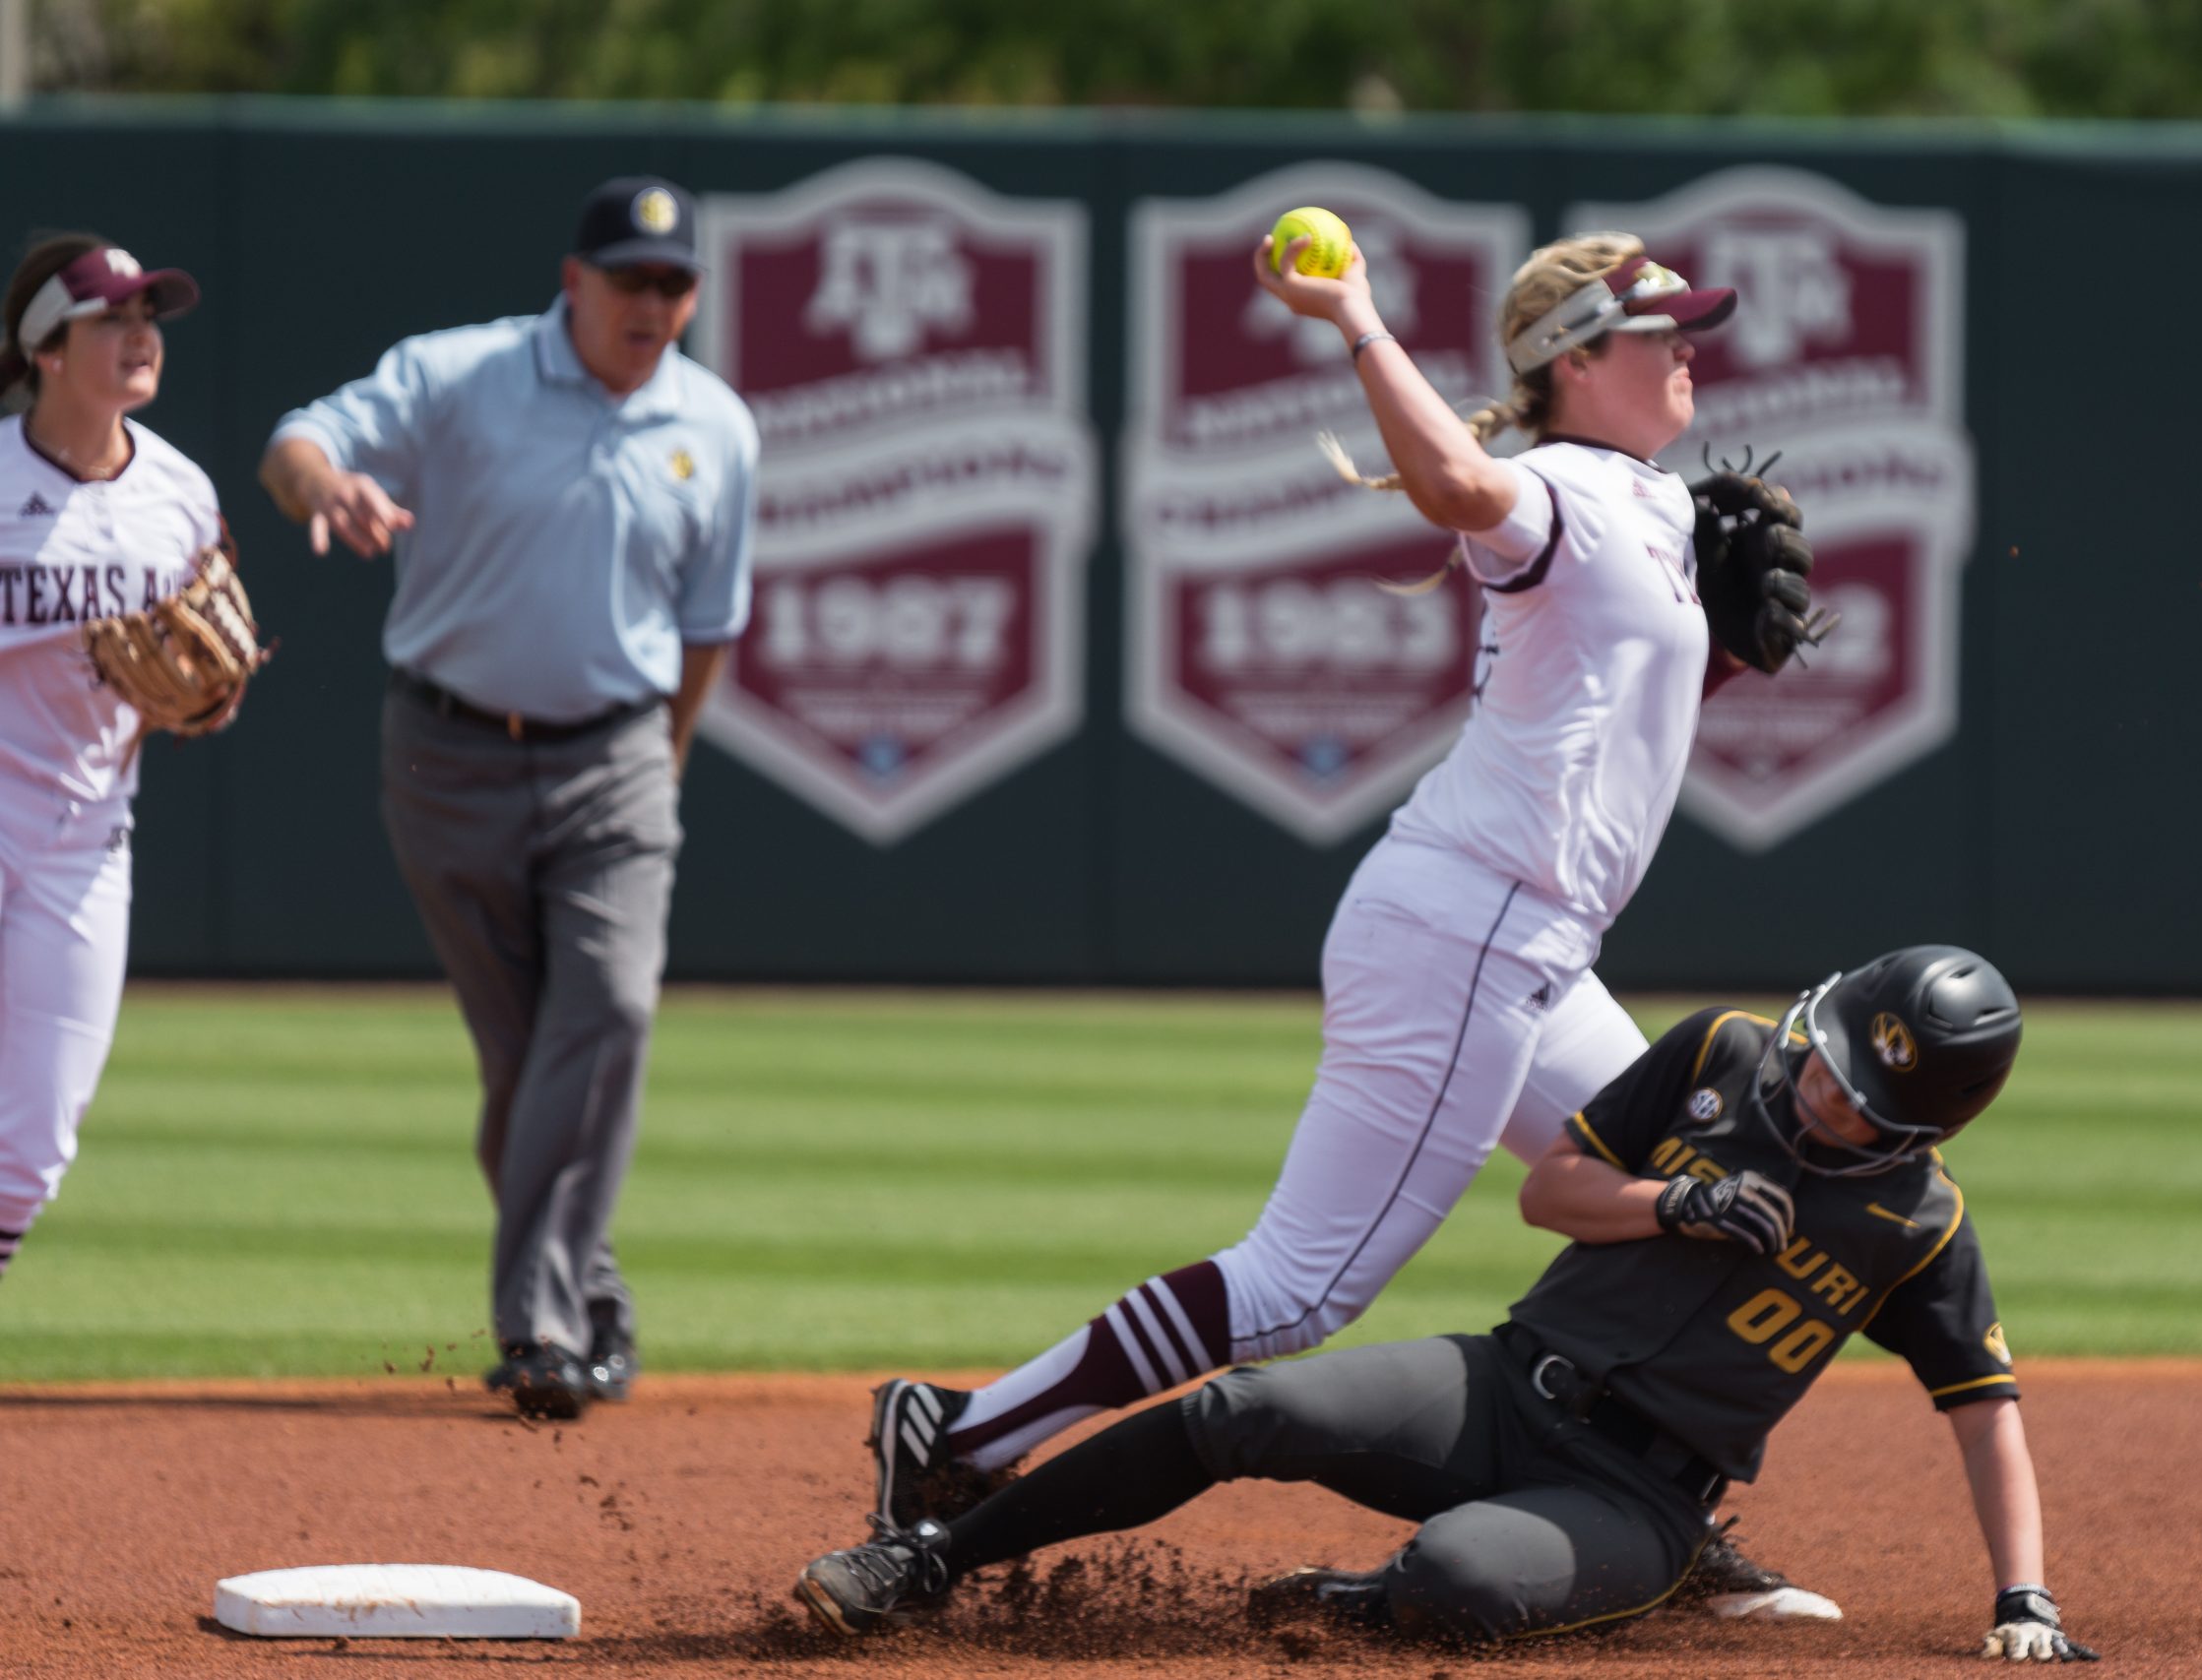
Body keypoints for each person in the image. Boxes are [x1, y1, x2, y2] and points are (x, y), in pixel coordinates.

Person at [863, 228, 1828, 1615]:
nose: (1694, 349)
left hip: (1531, 943)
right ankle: (957, 1434)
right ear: (1577, 359)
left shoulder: (1660, 508)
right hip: (1472, 930)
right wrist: (1360, 318)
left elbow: (1607, 721)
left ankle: (1641, 1493)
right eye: (1664, 330)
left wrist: (1726, 658)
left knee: (1684, 1198)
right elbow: (1452, 482)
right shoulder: (1558, 489)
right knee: (1298, 1286)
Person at [797, 945, 2098, 1663]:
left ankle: (1385, 1591)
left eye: (1858, 1101)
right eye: (1829, 1061)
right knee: (1248, 1404)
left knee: (1461, 1576)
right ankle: (928, 1560)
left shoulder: (1919, 1222)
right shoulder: (1725, 1050)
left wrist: (2022, 1597)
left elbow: (1987, 1413)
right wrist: (1672, 1202)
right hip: (1500, 1386)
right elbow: (1550, 1189)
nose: (1820, 1094)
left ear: (1922, 1122)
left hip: (1637, 1498)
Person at [258, 177, 759, 1421]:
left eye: (674, 283)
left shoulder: (717, 426)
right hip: (448, 753)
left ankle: (535, 1327)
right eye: (631, 279)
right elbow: (293, 443)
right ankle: (591, 1298)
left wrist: (665, 764)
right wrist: (323, 489)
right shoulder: (460, 374)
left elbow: (709, 629)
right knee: (525, 1063)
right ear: (573, 280)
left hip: (617, 757)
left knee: (613, 1012)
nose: (654, 303)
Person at [0, 235, 221, 1288]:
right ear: (46, 349)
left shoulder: (179, 495)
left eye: (149, 317)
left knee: (35, 1148)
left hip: (85, 839)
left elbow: (195, 673)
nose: (140, 335)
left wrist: (205, 699)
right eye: (111, 318)